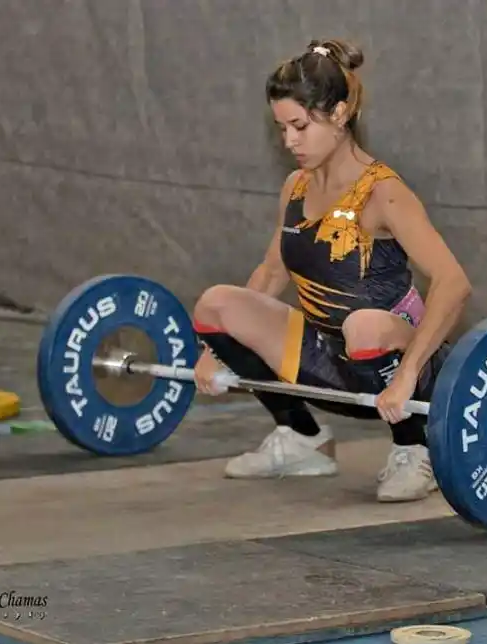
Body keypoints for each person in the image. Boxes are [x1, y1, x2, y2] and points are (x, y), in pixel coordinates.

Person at [191, 38, 472, 502]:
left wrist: (407, 374)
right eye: (282, 129)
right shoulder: (296, 186)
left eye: (300, 126)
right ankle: (303, 438)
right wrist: (216, 349)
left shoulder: (383, 192)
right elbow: (271, 272)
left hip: (401, 366)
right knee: (216, 304)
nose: (289, 141)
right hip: (329, 357)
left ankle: (414, 446)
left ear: (339, 114)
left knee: (363, 326)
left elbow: (454, 283)